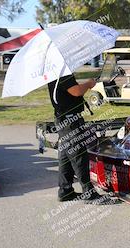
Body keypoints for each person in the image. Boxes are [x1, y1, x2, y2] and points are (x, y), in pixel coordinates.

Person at [48, 74, 102, 202]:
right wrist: (89, 84)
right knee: (78, 155)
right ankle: (88, 192)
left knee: (65, 157)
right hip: (70, 121)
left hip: (64, 119)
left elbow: (71, 90)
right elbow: (76, 91)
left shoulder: (55, 74)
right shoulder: (63, 74)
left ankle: (65, 190)